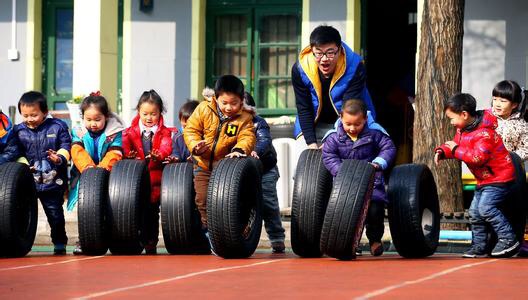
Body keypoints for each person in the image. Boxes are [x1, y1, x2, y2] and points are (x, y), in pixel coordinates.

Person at [435, 93, 519, 258]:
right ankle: (479, 246)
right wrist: (443, 151)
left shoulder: (484, 134)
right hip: (484, 179)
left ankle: (509, 239)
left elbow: (477, 157)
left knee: (486, 208)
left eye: (451, 118)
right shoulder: (463, 130)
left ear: (464, 115)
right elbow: (456, 146)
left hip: (499, 178)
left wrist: (454, 150)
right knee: (475, 212)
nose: (451, 123)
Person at [183, 75, 256, 246]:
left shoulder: (244, 118)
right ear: (216, 98)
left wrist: (239, 149)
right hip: (203, 165)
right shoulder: (203, 109)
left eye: (234, 103)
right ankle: (212, 231)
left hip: (228, 170)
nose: (229, 107)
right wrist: (195, 146)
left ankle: (240, 227)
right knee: (202, 199)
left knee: (234, 200)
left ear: (241, 100)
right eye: (224, 103)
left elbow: (247, 137)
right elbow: (190, 130)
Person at [322, 99, 396, 256]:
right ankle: (350, 243)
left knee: (375, 211)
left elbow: (388, 148)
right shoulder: (334, 137)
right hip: (345, 185)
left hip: (371, 183)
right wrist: (341, 171)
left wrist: (378, 162)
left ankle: (375, 240)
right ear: (341, 118)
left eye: (357, 124)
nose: (352, 128)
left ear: (365, 120)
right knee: (346, 215)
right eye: (348, 124)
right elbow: (328, 156)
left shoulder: (375, 133)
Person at [292, 25, 379, 148]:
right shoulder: (300, 69)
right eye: (318, 53)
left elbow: (349, 109)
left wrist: (332, 139)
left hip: (351, 123)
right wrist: (311, 143)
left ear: (340, 51)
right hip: (314, 125)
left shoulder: (355, 67)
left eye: (330, 53)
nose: (324, 59)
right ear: (312, 51)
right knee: (303, 152)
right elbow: (303, 107)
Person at [68, 91, 126, 255]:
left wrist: (101, 169)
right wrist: (88, 169)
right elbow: (76, 150)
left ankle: (108, 236)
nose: (93, 123)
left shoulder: (115, 132)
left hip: (108, 174)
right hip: (84, 176)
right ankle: (84, 239)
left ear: (106, 117)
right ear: (83, 117)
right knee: (86, 207)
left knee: (107, 207)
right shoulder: (78, 131)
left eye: (97, 119)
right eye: (89, 119)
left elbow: (116, 152)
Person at [15, 91, 71, 255]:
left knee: (55, 215)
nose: (29, 119)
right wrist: (24, 165)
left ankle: (59, 242)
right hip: (27, 182)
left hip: (52, 182)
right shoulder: (18, 131)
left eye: (34, 115)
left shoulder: (57, 126)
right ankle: (20, 241)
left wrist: (59, 157)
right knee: (20, 213)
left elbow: (66, 146)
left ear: (45, 112)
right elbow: (15, 152)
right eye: (25, 115)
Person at [122, 89, 172, 254]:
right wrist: (128, 154)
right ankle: (137, 239)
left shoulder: (165, 132)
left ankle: (151, 243)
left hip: (155, 181)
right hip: (135, 182)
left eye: (153, 114)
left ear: (160, 113)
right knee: (136, 212)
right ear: (138, 112)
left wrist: (160, 155)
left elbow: (166, 146)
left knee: (152, 213)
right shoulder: (130, 132)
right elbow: (124, 145)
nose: (149, 118)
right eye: (145, 114)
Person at [489, 80, 528, 257]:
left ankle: (517, 242)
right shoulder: (486, 120)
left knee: (515, 209)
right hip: (490, 174)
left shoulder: (521, 124)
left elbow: (526, 148)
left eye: (503, 100)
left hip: (513, 175)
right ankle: (488, 242)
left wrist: (511, 159)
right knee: (489, 208)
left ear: (514, 105)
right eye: (495, 98)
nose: (497, 103)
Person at [244, 92, 286, 253]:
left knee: (268, 203)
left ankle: (276, 237)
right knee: (243, 203)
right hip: (244, 171)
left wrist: (256, 151)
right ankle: (242, 233)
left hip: (265, 169)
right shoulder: (230, 124)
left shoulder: (258, 123)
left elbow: (265, 141)